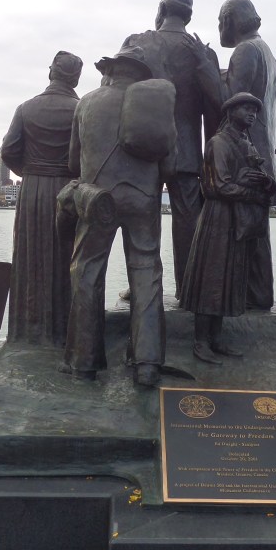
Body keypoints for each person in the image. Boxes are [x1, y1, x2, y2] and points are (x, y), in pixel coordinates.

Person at [62, 46, 176, 388]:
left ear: (110, 70)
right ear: (141, 75)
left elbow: (72, 163)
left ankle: (83, 362)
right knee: (146, 274)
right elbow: (169, 162)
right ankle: (147, 364)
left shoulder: (87, 102)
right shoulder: (155, 105)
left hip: (99, 200)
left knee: (86, 272)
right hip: (143, 199)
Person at [120, 0, 223, 296]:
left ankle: (140, 287)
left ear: (162, 8)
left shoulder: (136, 42)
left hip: (141, 148)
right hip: (188, 150)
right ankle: (188, 288)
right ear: (188, 16)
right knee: (189, 219)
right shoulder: (203, 52)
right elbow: (214, 108)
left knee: (141, 215)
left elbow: (117, 92)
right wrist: (211, 155)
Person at [180, 93, 275, 364]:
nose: (252, 113)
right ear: (230, 111)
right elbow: (218, 186)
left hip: (238, 219)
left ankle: (217, 338)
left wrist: (265, 184)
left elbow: (252, 179)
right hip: (218, 217)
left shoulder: (247, 143)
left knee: (229, 277)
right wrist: (254, 194)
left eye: (255, 109)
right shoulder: (219, 143)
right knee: (211, 277)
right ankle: (200, 341)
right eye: (246, 108)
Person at [0, 51, 83, 346]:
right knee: (67, 258)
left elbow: (8, 150)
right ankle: (63, 334)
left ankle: (26, 332)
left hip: (32, 190)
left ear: (51, 72)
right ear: (75, 78)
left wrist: (31, 171)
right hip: (68, 191)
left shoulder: (26, 108)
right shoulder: (82, 108)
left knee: (29, 256)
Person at [218, 0, 276, 310]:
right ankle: (259, 294)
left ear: (231, 19)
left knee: (247, 232)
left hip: (247, 152)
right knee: (257, 231)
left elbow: (231, 101)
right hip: (263, 149)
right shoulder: (264, 49)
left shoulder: (245, 50)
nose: (219, 27)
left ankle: (251, 296)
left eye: (220, 20)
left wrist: (207, 73)